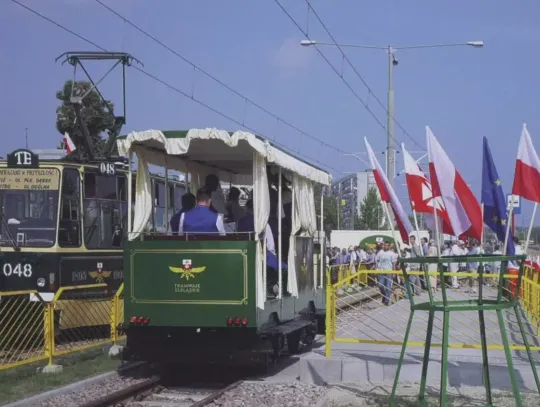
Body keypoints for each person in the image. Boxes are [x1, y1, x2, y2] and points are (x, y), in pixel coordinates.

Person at [376, 241, 398, 306]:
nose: (385, 246)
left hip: (389, 272)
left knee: (388, 287)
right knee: (380, 285)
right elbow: (377, 260)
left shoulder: (392, 253)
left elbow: (394, 264)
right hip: (382, 272)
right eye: (384, 245)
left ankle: (386, 300)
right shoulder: (380, 252)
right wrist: (377, 268)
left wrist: (394, 272)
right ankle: (385, 295)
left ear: (389, 246)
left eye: (387, 245)